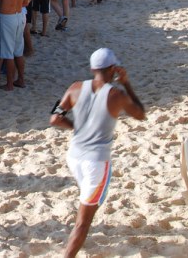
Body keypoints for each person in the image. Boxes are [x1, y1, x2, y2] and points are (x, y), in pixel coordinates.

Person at [50, 48, 146, 258]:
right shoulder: (116, 95)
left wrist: (75, 127)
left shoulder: (75, 88)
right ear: (113, 69)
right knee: (83, 222)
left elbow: (55, 117)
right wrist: (127, 83)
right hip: (96, 162)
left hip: (74, 156)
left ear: (93, 68)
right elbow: (140, 114)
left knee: (88, 203)